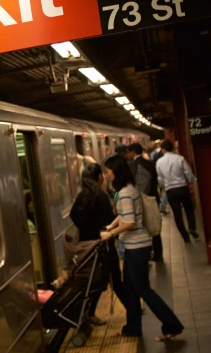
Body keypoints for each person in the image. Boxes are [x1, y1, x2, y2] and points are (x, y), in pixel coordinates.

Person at [100, 155, 183, 341]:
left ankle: (172, 324)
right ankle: (132, 327)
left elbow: (129, 221)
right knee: (130, 289)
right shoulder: (130, 189)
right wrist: (112, 226)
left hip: (137, 247)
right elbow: (124, 214)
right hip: (134, 247)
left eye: (108, 171)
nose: (106, 175)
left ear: (116, 171)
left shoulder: (125, 193)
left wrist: (110, 234)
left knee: (143, 290)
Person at [69, 163, 125, 325]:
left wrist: (87, 230)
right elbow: (109, 219)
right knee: (113, 277)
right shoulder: (100, 195)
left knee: (95, 280)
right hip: (103, 244)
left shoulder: (82, 196)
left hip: (87, 245)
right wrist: (101, 230)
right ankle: (130, 306)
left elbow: (73, 215)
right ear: (99, 177)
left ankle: (90, 313)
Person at [156, 139, 199, 243]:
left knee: (177, 214)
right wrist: (191, 183)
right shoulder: (180, 158)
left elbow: (160, 179)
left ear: (163, 149)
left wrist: (164, 186)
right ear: (172, 148)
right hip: (182, 188)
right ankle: (192, 227)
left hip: (171, 191)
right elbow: (188, 173)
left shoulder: (159, 162)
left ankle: (185, 236)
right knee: (189, 210)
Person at [129, 143, 164, 262]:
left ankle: (147, 253)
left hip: (141, 200)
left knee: (142, 227)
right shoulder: (150, 163)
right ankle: (158, 253)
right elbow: (155, 181)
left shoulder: (132, 165)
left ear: (133, 152)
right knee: (154, 225)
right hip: (153, 198)